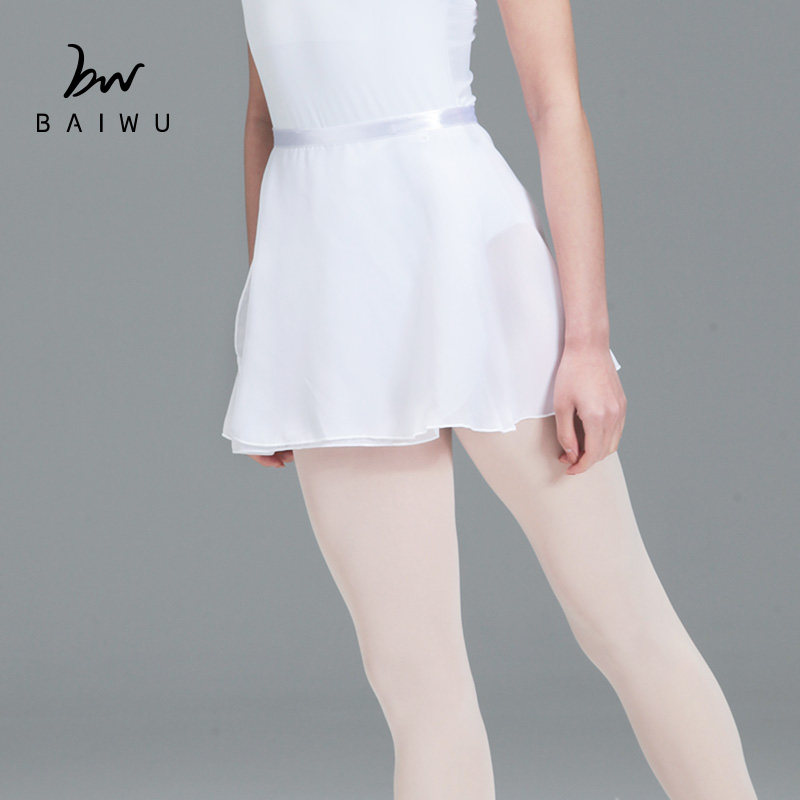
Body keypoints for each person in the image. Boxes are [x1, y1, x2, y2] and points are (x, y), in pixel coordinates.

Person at [221, 1, 760, 797]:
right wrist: (272, 337)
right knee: (413, 680)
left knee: (625, 622)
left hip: (471, 254)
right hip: (329, 292)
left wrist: (586, 342)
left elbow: (556, 104)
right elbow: (264, 120)